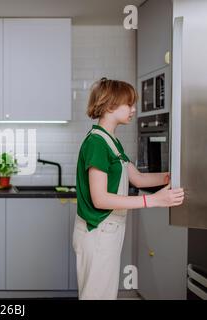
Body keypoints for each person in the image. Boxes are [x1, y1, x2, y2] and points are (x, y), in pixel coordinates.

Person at [73, 77, 184, 300]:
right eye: (129, 104)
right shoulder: (97, 143)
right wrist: (152, 201)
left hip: (108, 230)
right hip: (99, 231)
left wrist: (173, 176)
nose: (133, 109)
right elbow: (100, 199)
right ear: (110, 105)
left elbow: (139, 178)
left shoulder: (111, 140)